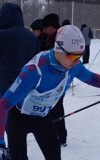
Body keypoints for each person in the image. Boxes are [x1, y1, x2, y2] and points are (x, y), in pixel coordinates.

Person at [0, 25, 100, 160]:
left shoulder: (73, 66)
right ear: (59, 49)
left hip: (42, 118)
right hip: (18, 118)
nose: (77, 62)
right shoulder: (35, 70)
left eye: (80, 56)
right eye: (74, 56)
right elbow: (4, 104)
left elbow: (91, 78)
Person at [0, 3, 39, 159]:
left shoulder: (3, 35)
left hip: (6, 86)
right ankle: (18, 149)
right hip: (27, 86)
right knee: (21, 119)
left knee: (10, 119)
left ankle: (16, 152)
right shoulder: (30, 36)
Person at [41, 13, 67, 146]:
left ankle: (61, 137)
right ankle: (57, 134)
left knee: (56, 109)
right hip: (52, 83)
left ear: (53, 27)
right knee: (52, 109)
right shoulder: (49, 39)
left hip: (58, 83)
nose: (44, 31)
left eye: (46, 28)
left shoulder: (59, 40)